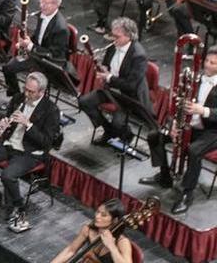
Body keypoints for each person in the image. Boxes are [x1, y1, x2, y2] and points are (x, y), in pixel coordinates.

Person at [0, 72, 61, 233]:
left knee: (7, 175)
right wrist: (4, 122)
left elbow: (46, 142)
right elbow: (8, 117)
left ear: (41, 92)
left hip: (29, 152)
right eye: (26, 89)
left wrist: (28, 124)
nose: (26, 94)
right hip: (9, 144)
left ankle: (19, 205)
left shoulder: (51, 110)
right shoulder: (18, 98)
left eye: (31, 92)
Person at [140, 46, 217, 214]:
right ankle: (164, 176)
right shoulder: (195, 78)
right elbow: (178, 103)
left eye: (213, 63)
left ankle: (186, 194)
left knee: (194, 151)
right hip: (189, 125)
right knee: (155, 136)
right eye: (207, 61)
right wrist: (174, 123)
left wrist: (202, 110)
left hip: (211, 131)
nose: (207, 66)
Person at [77, 17, 151, 146]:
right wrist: (104, 68)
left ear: (129, 36)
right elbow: (106, 64)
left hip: (129, 97)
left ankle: (126, 135)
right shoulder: (113, 46)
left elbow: (131, 85)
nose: (114, 39)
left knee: (118, 123)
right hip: (111, 90)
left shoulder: (139, 56)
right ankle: (108, 130)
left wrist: (109, 77)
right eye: (113, 35)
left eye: (117, 36)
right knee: (84, 102)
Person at [2, 0, 70, 98]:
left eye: (46, 3)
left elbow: (55, 54)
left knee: (32, 82)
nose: (41, 6)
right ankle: (15, 96)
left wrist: (31, 46)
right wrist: (25, 42)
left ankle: (30, 101)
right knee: (8, 67)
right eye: (41, 2)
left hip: (49, 62)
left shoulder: (61, 28)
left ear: (56, 5)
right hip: (36, 55)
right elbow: (39, 37)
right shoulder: (43, 14)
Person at [49, 199, 134, 263]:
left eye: (103, 215)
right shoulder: (88, 230)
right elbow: (70, 250)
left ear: (115, 220)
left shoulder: (122, 242)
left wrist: (111, 246)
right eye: (97, 212)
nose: (97, 216)